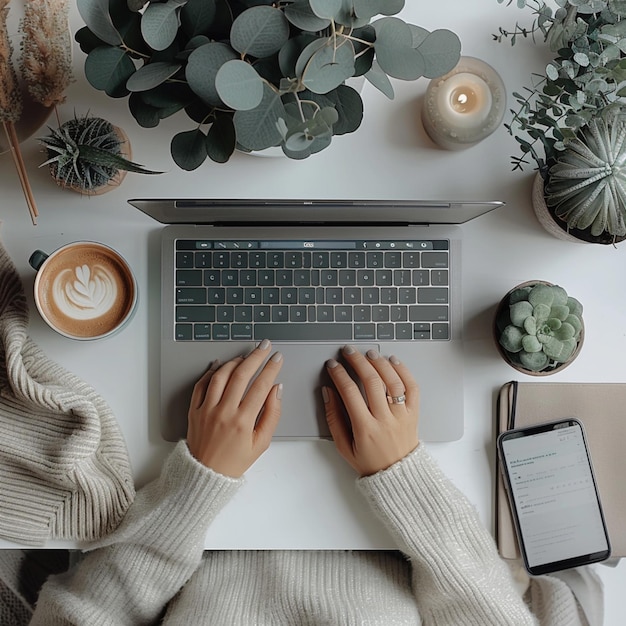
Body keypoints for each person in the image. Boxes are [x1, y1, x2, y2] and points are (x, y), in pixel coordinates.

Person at [18, 341, 600, 624]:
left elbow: (87, 614)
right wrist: (403, 473)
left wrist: (198, 479)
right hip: (405, 518)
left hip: (205, 509)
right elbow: (490, 611)